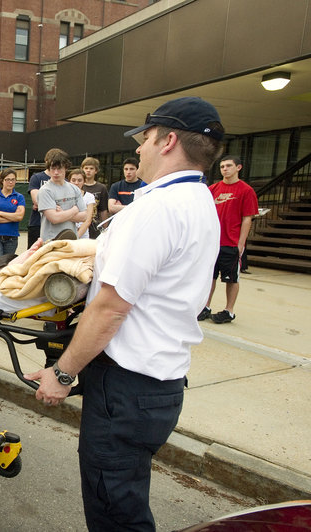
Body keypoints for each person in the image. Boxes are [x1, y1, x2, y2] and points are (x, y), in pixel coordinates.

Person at [24, 96, 223, 531]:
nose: (139, 148)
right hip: (157, 383)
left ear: (169, 141)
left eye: (146, 138)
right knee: (124, 499)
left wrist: (62, 374)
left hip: (128, 390)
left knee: (115, 513)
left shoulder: (156, 209)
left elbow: (112, 307)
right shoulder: (199, 200)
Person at [198, 155, 258, 324]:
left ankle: (228, 310)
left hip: (231, 243)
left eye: (229, 166)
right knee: (209, 277)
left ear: (238, 167)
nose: (225, 169)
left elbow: (247, 218)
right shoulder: (213, 189)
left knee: (231, 279)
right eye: (222, 166)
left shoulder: (246, 191)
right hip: (212, 243)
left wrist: (241, 243)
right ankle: (205, 307)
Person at [38, 150, 86, 242]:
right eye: (53, 168)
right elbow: (54, 218)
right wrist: (74, 210)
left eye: (59, 168)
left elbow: (84, 216)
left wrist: (63, 212)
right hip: (51, 242)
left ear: (66, 168)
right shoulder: (45, 190)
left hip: (72, 241)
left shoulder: (74, 189)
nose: (56, 172)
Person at [26, 148, 65, 248]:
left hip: (58, 224)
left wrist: (46, 204)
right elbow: (37, 200)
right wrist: (53, 205)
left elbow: (66, 204)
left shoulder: (65, 181)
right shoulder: (37, 177)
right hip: (37, 223)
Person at [0, 169, 26, 258]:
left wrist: (0, 213)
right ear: (2, 180)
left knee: (7, 265)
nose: (10, 182)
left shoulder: (19, 197)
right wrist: (12, 217)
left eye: (13, 179)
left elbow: (19, 217)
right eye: (8, 179)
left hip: (12, 238)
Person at [80, 157, 109, 237]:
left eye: (91, 168)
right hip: (79, 224)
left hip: (95, 226)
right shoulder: (78, 186)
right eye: (86, 168)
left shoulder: (101, 188)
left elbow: (103, 211)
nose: (88, 170)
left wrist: (105, 229)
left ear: (96, 171)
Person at [69, 168, 95, 239]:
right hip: (66, 232)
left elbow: (88, 220)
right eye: (73, 180)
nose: (76, 183)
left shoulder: (89, 196)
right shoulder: (63, 196)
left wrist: (76, 236)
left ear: (84, 181)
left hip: (83, 235)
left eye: (79, 180)